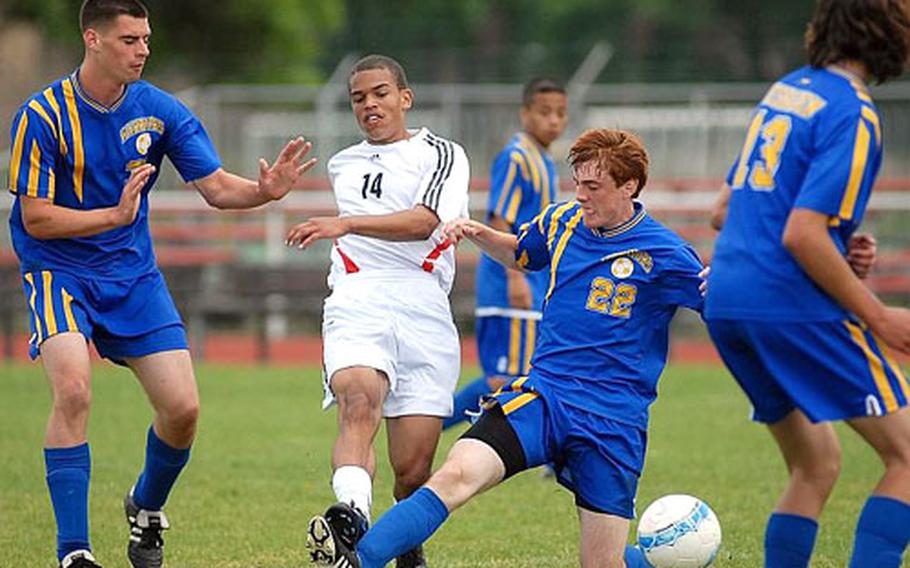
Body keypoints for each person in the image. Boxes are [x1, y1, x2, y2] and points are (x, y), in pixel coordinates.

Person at [305, 128, 706, 568]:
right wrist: (478, 232)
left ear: (629, 186)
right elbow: (522, 253)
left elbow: (719, 308)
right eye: (577, 184)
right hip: (547, 397)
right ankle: (358, 559)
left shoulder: (666, 253)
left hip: (613, 422)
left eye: (593, 187)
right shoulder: (563, 221)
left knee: (602, 563)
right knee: (457, 474)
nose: (581, 196)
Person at [6, 1, 316, 567]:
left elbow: (218, 188)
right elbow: (35, 218)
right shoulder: (41, 115)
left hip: (132, 276)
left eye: (146, 38)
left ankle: (146, 507)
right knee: (73, 390)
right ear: (92, 38)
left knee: (183, 410)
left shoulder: (160, 111)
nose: (143, 49)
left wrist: (264, 191)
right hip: (60, 272)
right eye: (129, 39)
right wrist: (112, 217)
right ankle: (73, 552)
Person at [704, 1, 910, 566]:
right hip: (784, 300)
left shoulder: (786, 91)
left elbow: (726, 210)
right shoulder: (855, 112)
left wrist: (839, 248)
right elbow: (801, 235)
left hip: (726, 300)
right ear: (887, 31)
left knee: (815, 463)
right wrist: (881, 315)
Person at [284, 54, 469, 568]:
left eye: (380, 93)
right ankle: (352, 523)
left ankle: (405, 545)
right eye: (359, 97)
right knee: (358, 402)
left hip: (424, 303)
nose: (370, 104)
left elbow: (426, 221)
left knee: (412, 470)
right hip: (358, 297)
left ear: (404, 98)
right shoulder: (344, 164)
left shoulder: (444, 154)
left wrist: (347, 225)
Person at [443, 78, 567, 431]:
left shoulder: (543, 159)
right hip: (509, 282)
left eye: (560, 113)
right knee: (503, 377)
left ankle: (552, 453)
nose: (554, 121)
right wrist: (515, 277)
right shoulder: (516, 157)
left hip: (533, 281)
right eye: (545, 113)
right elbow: (500, 218)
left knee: (529, 372)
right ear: (525, 113)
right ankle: (425, 425)